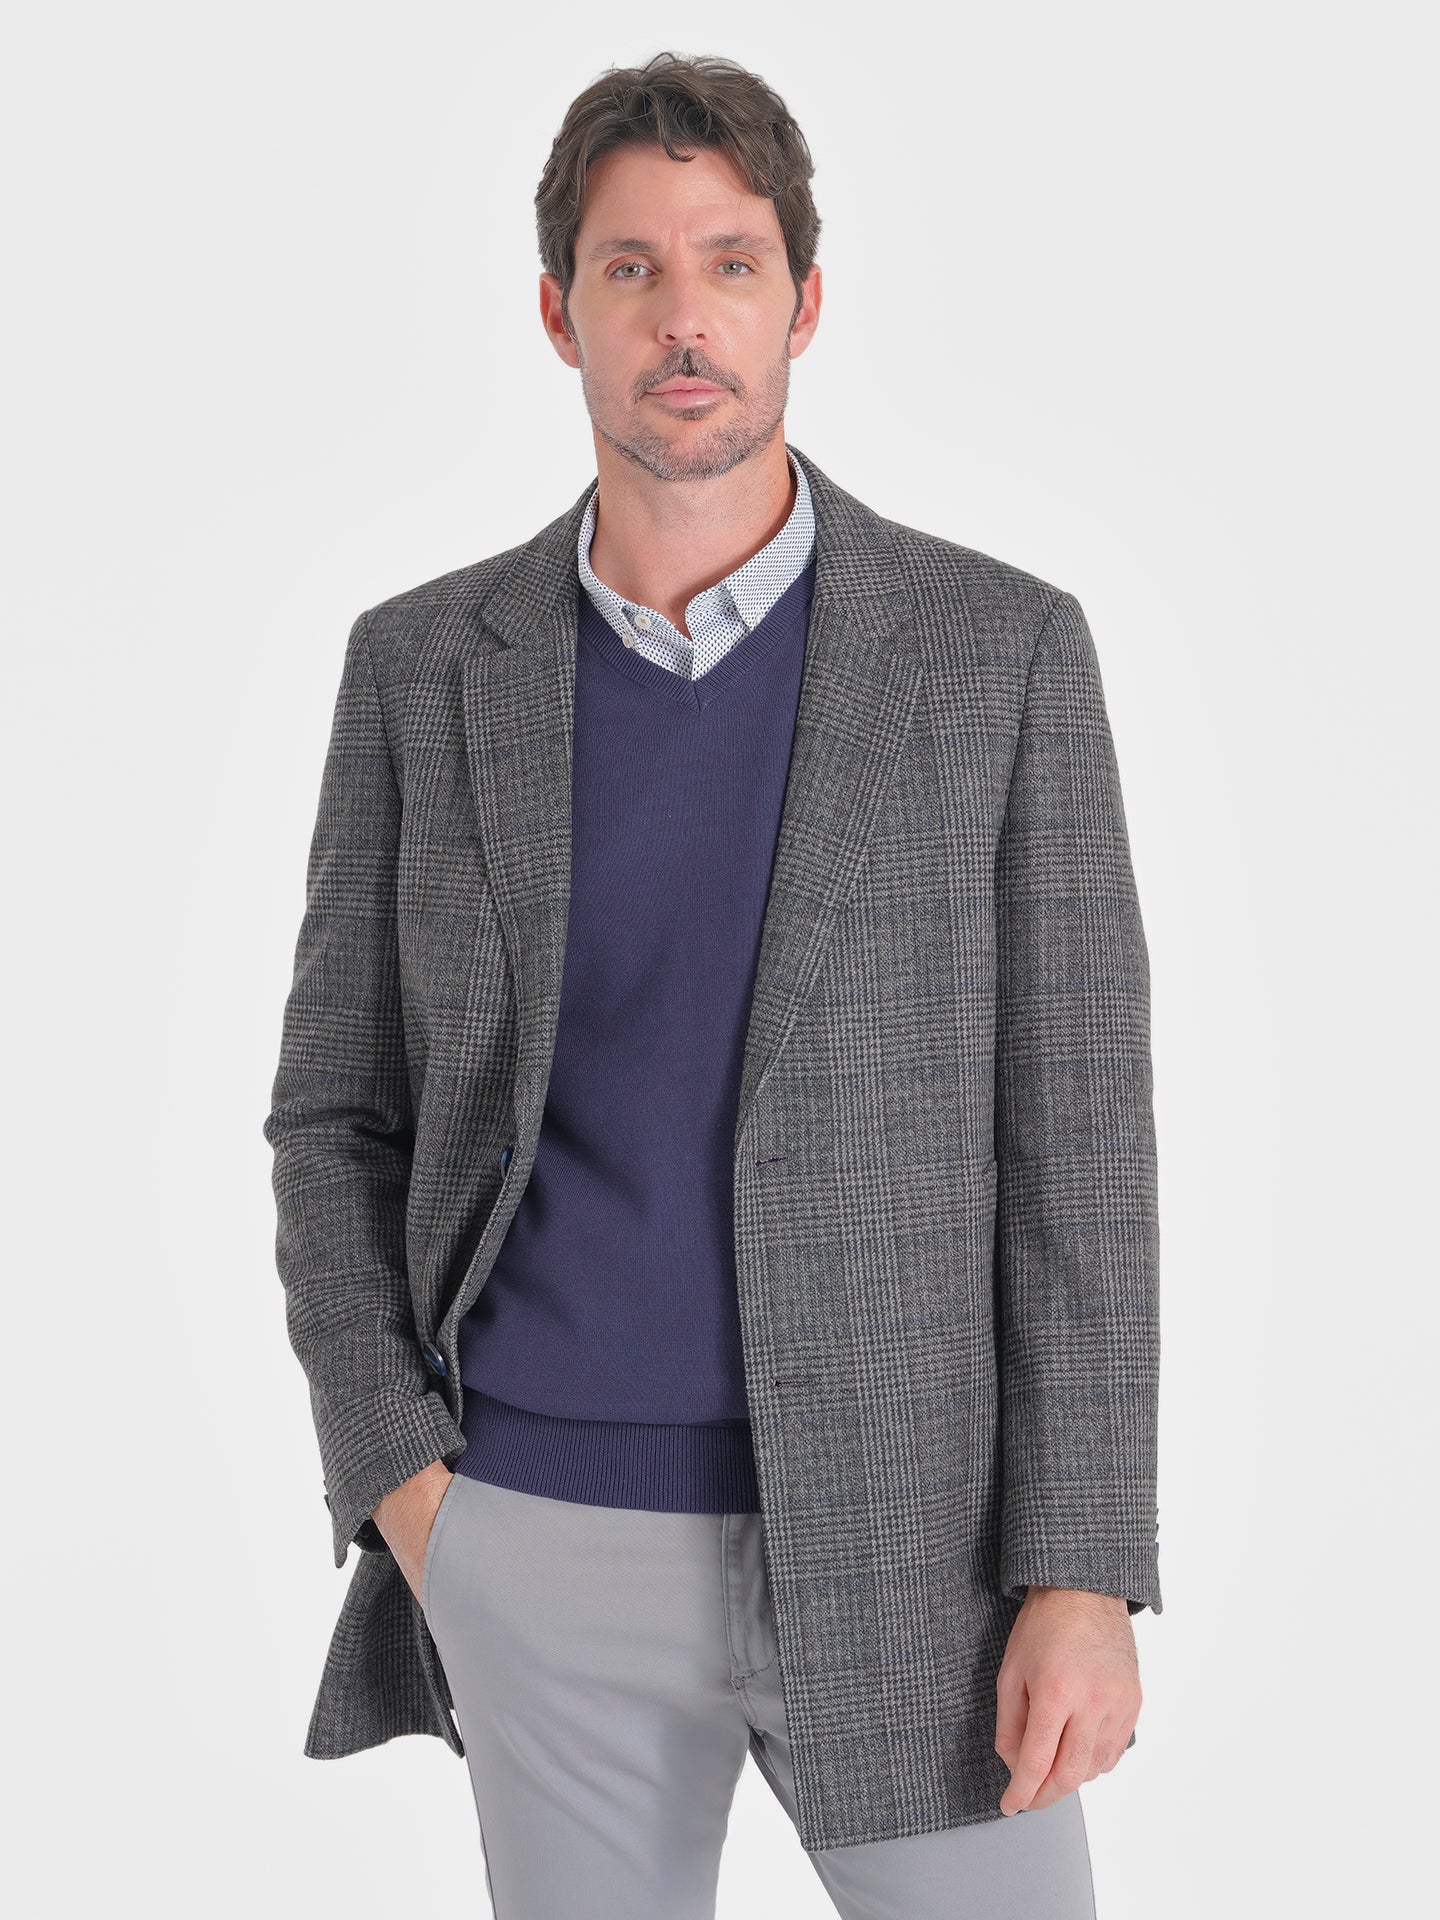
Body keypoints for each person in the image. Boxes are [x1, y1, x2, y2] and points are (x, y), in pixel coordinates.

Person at [263, 48, 1162, 1920]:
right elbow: (335, 1114)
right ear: (559, 314)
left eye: (732, 264)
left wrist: (1081, 1566)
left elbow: (1079, 1139)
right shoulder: (423, 668)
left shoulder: (997, 654)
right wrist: (412, 1492)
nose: (686, 318)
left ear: (804, 303)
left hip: (916, 1548)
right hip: (537, 1537)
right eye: (633, 269)